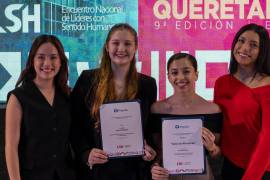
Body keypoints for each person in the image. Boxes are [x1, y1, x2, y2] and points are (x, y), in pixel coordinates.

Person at [70, 23, 157, 180]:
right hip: (97, 170)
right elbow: (74, 124)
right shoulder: (87, 80)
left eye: (128, 44)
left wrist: (150, 150)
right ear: (107, 46)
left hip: (134, 170)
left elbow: (150, 127)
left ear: (135, 47)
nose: (121, 49)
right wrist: (85, 154)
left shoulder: (148, 84)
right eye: (116, 43)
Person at [5, 35, 76, 180]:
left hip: (65, 175)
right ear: (32, 60)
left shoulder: (68, 95)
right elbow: (11, 148)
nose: (47, 63)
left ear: (61, 62)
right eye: (41, 57)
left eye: (53, 57)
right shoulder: (18, 97)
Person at [150, 53, 222, 180]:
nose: (181, 77)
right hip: (167, 175)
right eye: (174, 72)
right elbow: (156, 151)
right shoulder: (157, 109)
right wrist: (154, 168)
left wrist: (213, 148)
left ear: (196, 74)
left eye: (186, 71)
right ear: (168, 77)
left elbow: (218, 155)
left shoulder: (212, 110)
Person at [214, 23, 270, 180]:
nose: (244, 48)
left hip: (260, 170)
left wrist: (251, 176)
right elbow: (220, 126)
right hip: (229, 165)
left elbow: (268, 138)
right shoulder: (221, 82)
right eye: (241, 40)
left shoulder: (268, 86)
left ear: (262, 51)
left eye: (253, 45)